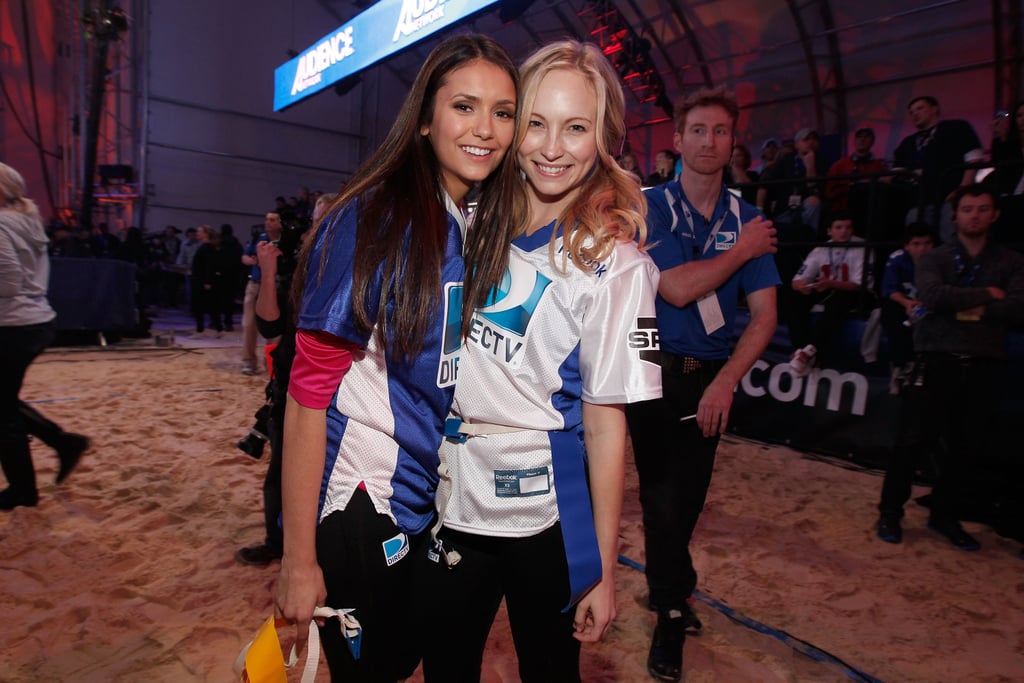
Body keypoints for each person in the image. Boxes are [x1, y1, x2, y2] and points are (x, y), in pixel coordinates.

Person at [274, 34, 518, 682]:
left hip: (419, 497)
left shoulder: (465, 219)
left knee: (402, 656)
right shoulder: (375, 217)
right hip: (360, 500)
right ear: (425, 118)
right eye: (465, 106)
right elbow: (305, 399)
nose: (485, 129)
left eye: (503, 111)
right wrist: (298, 560)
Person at [421, 40, 661, 683]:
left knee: (551, 671)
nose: (553, 147)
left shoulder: (617, 266)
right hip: (450, 499)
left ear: (603, 137)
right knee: (445, 667)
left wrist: (603, 571)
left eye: (576, 127)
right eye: (536, 122)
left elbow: (607, 426)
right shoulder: (466, 224)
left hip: (549, 519)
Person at [624, 86, 780, 682]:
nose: (709, 141)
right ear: (677, 139)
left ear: (732, 140)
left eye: (720, 131)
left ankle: (669, 589)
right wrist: (741, 252)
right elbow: (676, 288)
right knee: (654, 497)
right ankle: (668, 605)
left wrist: (727, 383)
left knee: (682, 502)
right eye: (698, 130)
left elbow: (764, 317)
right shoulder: (649, 205)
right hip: (642, 368)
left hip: (706, 382)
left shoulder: (749, 219)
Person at [876, 184, 1024, 550]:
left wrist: (959, 306)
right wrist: (989, 295)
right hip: (937, 359)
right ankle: (889, 512)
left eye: (982, 208)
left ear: (995, 214)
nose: (974, 215)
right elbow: (932, 296)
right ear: (955, 215)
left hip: (985, 363)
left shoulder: (1011, 260)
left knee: (965, 447)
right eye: (968, 208)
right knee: (912, 442)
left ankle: (944, 515)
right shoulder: (934, 258)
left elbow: (1018, 309)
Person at [235, 196, 333, 566]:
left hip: (338, 390)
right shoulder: (301, 268)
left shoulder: (353, 268)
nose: (316, 229)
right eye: (315, 220)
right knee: (281, 473)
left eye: (327, 219)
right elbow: (270, 326)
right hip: (292, 385)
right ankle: (277, 542)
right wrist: (266, 269)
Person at [0, 162, 90, 510]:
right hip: (31, 320)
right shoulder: (25, 220)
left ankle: (24, 490)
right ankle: (63, 443)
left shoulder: (4, 223)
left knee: (2, 412)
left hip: (11, 323)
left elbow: (7, 281)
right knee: (3, 402)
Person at [788, 212, 873, 375]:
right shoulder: (821, 249)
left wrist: (831, 283)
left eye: (848, 227)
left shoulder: (862, 247)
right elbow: (796, 280)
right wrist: (802, 286)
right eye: (839, 227)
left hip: (853, 293)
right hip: (827, 288)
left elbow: (859, 285)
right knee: (795, 299)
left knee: (839, 300)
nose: (844, 231)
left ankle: (811, 350)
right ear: (829, 231)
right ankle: (801, 351)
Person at [892, 95, 984, 242]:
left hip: (951, 198)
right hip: (918, 201)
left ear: (935, 109)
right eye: (911, 112)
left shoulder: (957, 127)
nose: (915, 113)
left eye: (920, 108)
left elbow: (974, 158)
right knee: (916, 239)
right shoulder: (907, 142)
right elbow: (896, 172)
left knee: (949, 237)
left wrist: (963, 189)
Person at [879, 222, 935, 392]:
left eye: (927, 243)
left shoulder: (941, 260)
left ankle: (916, 367)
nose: (922, 249)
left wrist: (923, 304)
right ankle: (900, 367)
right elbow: (890, 290)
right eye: (916, 244)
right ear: (907, 246)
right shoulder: (897, 259)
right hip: (904, 303)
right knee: (892, 315)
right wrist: (907, 303)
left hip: (931, 306)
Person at [240, 212, 283, 374]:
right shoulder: (260, 237)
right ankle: (249, 362)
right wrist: (252, 260)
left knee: (275, 328)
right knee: (249, 324)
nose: (268, 223)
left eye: (272, 220)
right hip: (255, 284)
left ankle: (271, 364)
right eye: (267, 219)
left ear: (280, 223)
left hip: (276, 286)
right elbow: (244, 257)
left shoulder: (285, 240)